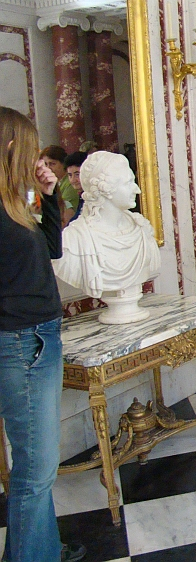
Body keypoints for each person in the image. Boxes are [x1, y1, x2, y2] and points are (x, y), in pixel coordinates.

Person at [0, 107, 86, 562]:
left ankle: (41, 549)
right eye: (31, 147)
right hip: (21, 342)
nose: (38, 158)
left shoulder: (16, 200)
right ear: (13, 146)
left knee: (38, 466)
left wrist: (49, 197)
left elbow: (51, 249)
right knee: (35, 471)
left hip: (37, 338)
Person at [53, 151, 161, 300]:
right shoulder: (74, 240)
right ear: (105, 189)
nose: (137, 189)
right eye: (128, 183)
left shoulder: (142, 229)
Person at [39, 145, 79, 226]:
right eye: (45, 164)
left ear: (63, 164)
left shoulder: (71, 183)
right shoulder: (49, 183)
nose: (48, 168)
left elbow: (64, 211)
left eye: (52, 164)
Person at [64, 151, 88, 225]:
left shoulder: (93, 198)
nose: (73, 180)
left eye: (77, 174)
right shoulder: (81, 196)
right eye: (70, 175)